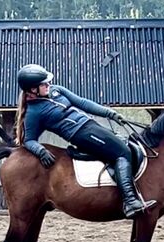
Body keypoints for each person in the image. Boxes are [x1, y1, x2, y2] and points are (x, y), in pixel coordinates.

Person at [14, 64, 156, 218]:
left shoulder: (56, 90)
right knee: (122, 152)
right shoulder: (33, 112)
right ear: (32, 89)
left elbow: (82, 103)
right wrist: (41, 151)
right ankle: (130, 202)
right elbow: (29, 140)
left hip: (91, 126)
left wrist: (110, 113)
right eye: (43, 84)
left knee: (126, 143)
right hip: (80, 134)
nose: (48, 85)